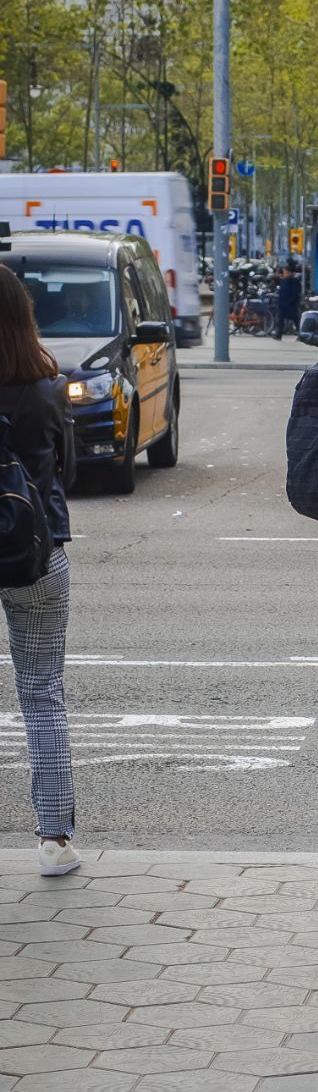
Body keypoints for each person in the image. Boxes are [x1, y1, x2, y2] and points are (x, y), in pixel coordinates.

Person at [0, 266, 79, 877]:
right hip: (36, 554)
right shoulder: (46, 390)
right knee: (42, 695)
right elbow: (65, 477)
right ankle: (54, 840)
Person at [271, 264, 302, 340]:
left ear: (289, 272)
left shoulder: (294, 281)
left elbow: (296, 293)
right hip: (283, 304)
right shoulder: (284, 280)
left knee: (295, 320)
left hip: (290, 304)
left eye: (285, 272)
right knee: (281, 319)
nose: (284, 273)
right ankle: (279, 335)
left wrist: (291, 302)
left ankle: (301, 335)